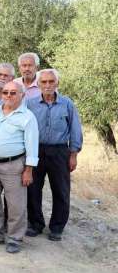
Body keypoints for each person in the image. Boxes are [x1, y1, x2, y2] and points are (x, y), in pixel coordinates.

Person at [0, 81, 38, 254]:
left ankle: (14, 238)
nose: (8, 96)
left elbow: (32, 146)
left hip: (14, 166)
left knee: (16, 205)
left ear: (22, 95)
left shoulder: (27, 117)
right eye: (5, 92)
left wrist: (28, 170)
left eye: (13, 93)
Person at [26, 69, 83, 241]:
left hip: (60, 151)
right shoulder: (30, 104)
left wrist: (73, 155)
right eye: (44, 82)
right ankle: (35, 224)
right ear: (39, 84)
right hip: (36, 150)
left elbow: (75, 130)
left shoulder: (67, 104)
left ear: (57, 83)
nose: (48, 85)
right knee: (33, 189)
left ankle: (57, 227)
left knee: (61, 191)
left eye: (51, 82)